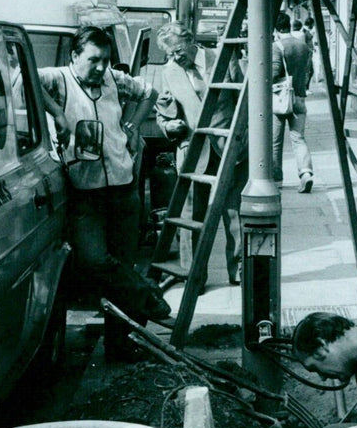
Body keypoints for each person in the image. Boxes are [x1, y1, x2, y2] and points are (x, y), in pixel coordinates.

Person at [39, 26, 169, 362]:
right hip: (86, 191)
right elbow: (23, 78)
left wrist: (134, 123)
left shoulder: (113, 79)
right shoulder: (58, 78)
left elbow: (149, 92)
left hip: (124, 186)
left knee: (121, 266)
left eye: (105, 59)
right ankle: (146, 293)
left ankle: (119, 344)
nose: (100, 67)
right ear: (74, 57)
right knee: (95, 261)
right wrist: (56, 113)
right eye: (93, 60)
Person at [154, 21, 246, 286]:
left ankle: (237, 269)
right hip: (194, 152)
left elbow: (244, 99)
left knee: (234, 213)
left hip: (229, 147)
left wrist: (245, 137)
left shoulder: (222, 58)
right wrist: (168, 126)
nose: (175, 57)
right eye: (170, 54)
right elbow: (165, 109)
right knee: (190, 216)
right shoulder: (169, 70)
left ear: (190, 40)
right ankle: (194, 274)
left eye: (178, 51)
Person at [272, 11, 314, 193]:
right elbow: (307, 70)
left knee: (275, 141)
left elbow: (274, 73)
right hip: (299, 97)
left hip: (280, 100)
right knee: (298, 138)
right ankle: (306, 173)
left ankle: (277, 179)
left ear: (275, 27)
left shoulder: (276, 46)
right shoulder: (302, 45)